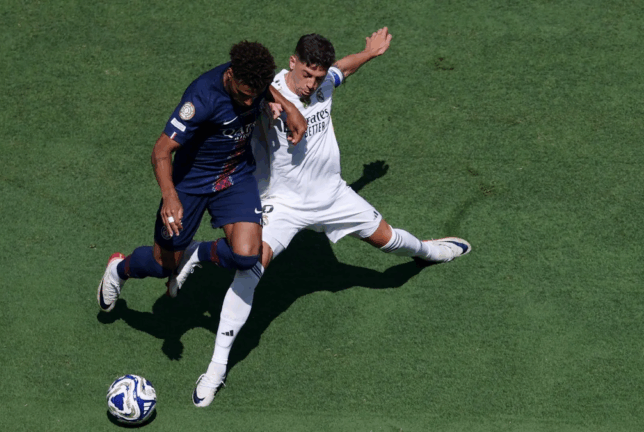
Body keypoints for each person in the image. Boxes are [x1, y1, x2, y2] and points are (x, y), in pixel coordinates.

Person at [174, 28, 472, 407]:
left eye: (317, 77)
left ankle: (429, 252)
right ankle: (216, 368)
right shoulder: (267, 92)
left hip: (332, 195)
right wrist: (272, 105)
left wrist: (370, 53)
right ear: (292, 62)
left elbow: (342, 69)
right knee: (249, 270)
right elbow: (244, 100)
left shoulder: (323, 84)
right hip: (282, 202)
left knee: (389, 240)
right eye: (306, 74)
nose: (311, 84)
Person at [96, 41, 306, 314]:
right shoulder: (201, 98)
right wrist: (170, 197)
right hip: (191, 183)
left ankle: (196, 253)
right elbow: (161, 150)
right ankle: (119, 270)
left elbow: (262, 88)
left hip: (234, 175)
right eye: (244, 95)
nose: (248, 103)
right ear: (230, 75)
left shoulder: (251, 80)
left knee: (246, 256)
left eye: (254, 96)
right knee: (163, 265)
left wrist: (289, 107)